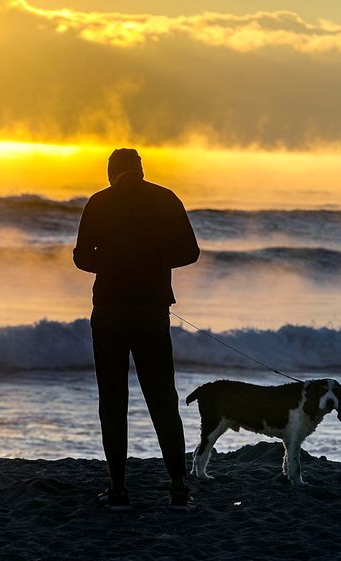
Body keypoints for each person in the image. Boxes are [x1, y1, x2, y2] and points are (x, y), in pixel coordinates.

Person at [73, 148, 200, 510]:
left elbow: (82, 257)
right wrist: (155, 260)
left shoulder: (99, 202)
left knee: (112, 401)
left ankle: (117, 488)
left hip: (110, 311)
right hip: (152, 311)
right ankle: (178, 487)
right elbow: (190, 252)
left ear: (112, 172)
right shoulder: (165, 199)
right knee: (162, 398)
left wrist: (112, 262)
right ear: (141, 169)